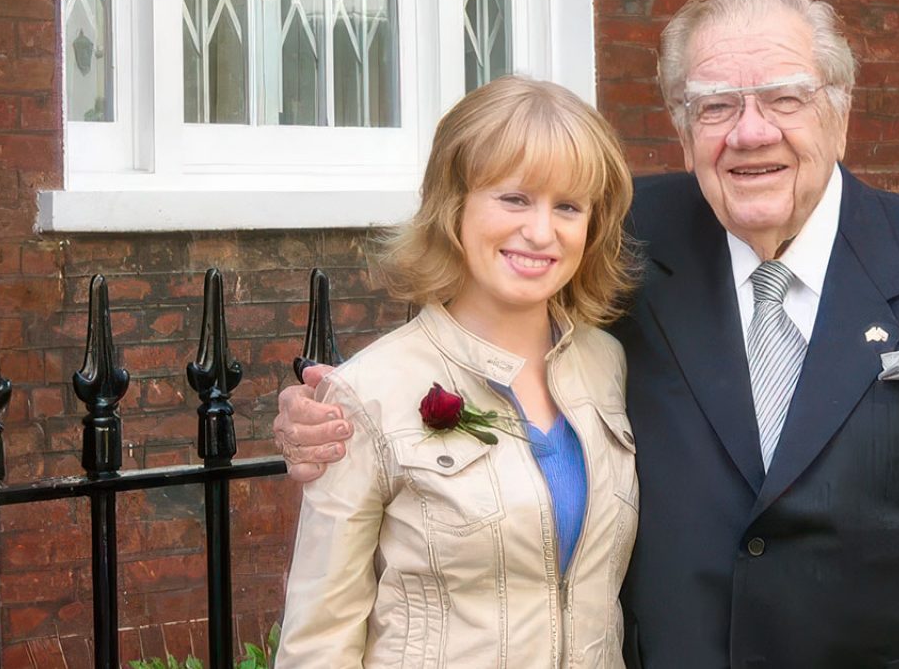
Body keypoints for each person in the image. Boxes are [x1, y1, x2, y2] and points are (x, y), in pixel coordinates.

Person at [274, 0, 899, 668]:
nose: (750, 132)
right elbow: (480, 313)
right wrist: (330, 418)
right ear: (681, 125)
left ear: (839, 108)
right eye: (716, 105)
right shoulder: (619, 242)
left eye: (783, 98)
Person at [274, 75, 639, 667]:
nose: (542, 231)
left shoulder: (609, 364)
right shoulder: (369, 393)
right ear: (454, 207)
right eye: (515, 198)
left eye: (568, 206)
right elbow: (319, 638)